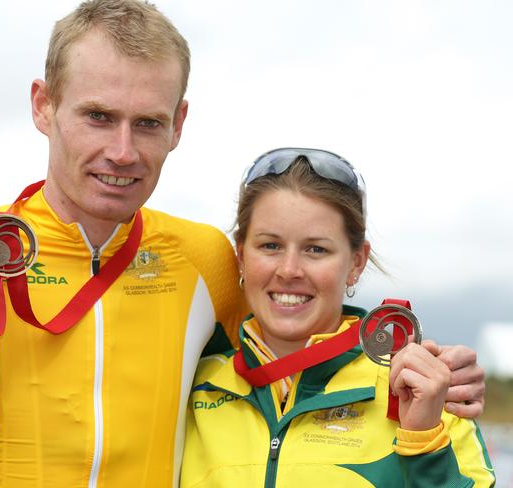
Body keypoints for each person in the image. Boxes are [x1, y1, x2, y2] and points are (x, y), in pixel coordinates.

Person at [0, 2, 484, 487]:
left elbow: (300, 339)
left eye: (149, 123)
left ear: (179, 125)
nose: (123, 152)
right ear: (43, 105)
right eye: (98, 116)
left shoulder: (207, 260)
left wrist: (434, 370)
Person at [180, 148, 495, 487]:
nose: (289, 270)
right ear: (241, 255)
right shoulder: (191, 387)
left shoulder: (422, 393)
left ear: (357, 262)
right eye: (270, 246)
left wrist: (423, 443)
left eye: (316, 249)